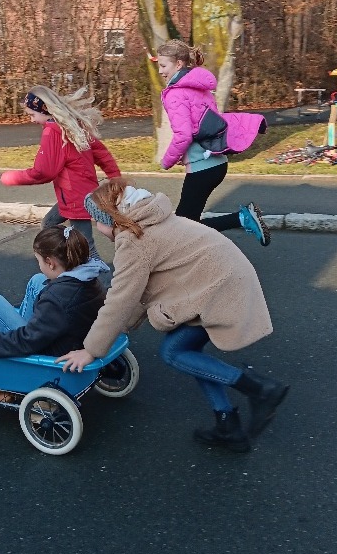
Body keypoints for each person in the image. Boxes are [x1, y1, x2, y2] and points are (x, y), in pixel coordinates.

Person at [57, 178, 289, 453]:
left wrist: (91, 350)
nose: (95, 225)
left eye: (97, 219)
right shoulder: (151, 220)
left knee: (174, 352)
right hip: (224, 279)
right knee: (191, 354)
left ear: (111, 218)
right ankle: (227, 422)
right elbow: (138, 294)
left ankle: (260, 389)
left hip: (220, 288)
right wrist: (118, 328)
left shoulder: (133, 241)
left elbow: (121, 299)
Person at [155, 39, 271, 247]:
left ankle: (242, 218)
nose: (160, 71)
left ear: (178, 64)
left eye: (163, 66)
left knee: (182, 227)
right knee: (187, 224)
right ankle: (240, 220)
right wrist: (184, 155)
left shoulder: (175, 93)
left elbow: (184, 135)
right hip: (216, 162)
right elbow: (202, 124)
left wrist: (166, 161)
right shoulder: (199, 87)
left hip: (202, 167)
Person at [0, 85, 121, 263]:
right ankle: (64, 265)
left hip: (75, 197)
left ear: (45, 109)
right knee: (48, 225)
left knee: (85, 246)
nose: (31, 120)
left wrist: (13, 178)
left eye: (32, 114)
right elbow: (101, 152)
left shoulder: (53, 132)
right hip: (79, 193)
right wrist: (114, 175)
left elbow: (44, 171)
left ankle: (97, 278)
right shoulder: (72, 125)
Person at [0, 226, 106, 359]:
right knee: (38, 280)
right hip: (69, 338)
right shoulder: (89, 278)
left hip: (47, 352)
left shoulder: (56, 299)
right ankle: (26, 327)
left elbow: (27, 340)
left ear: (50, 263)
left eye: (39, 261)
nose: (39, 265)